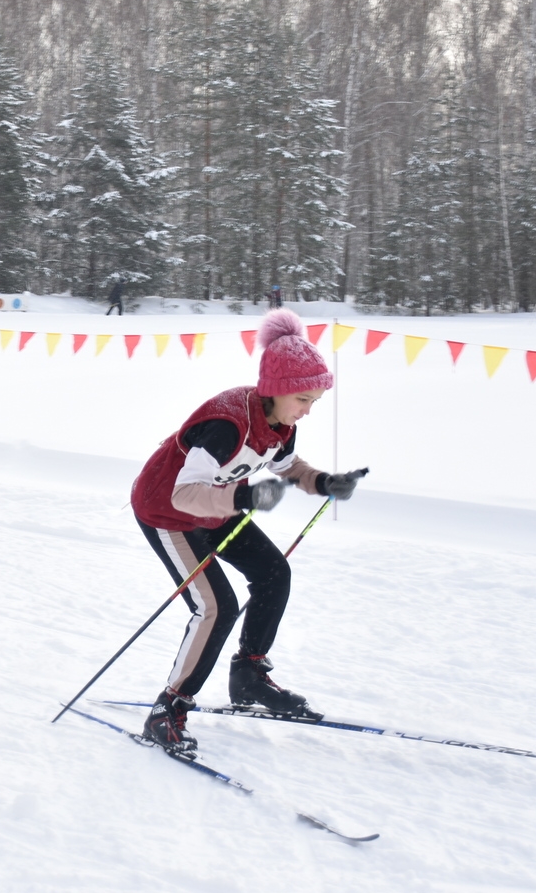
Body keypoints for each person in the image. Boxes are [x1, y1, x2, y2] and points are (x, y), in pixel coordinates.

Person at [128, 309, 368, 756]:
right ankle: (168, 710)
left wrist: (323, 482)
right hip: (168, 512)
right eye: (304, 399)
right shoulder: (226, 423)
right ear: (276, 391)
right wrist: (242, 498)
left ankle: (249, 677)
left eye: (315, 400)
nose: (308, 410)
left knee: (274, 572)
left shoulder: (281, 424)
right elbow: (185, 494)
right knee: (216, 606)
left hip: (217, 509)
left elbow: (286, 466)